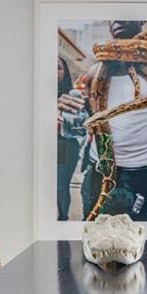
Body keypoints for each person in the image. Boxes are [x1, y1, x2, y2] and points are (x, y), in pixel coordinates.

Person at [75, 20, 147, 222]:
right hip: (97, 172)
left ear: (141, 21)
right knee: (92, 240)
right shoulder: (94, 73)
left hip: (140, 176)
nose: (120, 20)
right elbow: (90, 126)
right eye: (113, 16)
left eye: (127, 15)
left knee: (139, 244)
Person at [56, 56, 82, 220]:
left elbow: (80, 130)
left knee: (60, 186)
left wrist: (64, 122)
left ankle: (62, 221)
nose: (53, 72)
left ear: (65, 72)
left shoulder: (72, 96)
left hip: (63, 145)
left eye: (58, 67)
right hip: (38, 146)